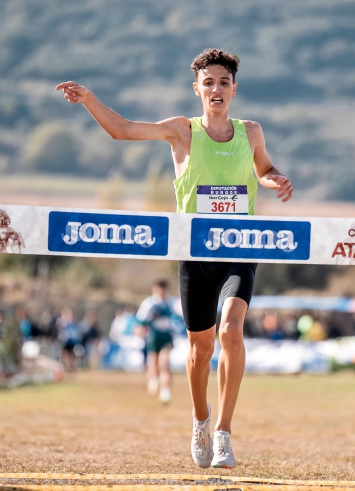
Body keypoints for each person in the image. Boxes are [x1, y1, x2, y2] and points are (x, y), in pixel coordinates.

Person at [56, 48, 293, 469]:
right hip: (195, 254)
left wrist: (273, 178)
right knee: (200, 350)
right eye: (209, 83)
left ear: (234, 89)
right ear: (197, 89)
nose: (216, 89)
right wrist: (90, 99)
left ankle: (223, 432)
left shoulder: (251, 132)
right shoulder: (182, 132)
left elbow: (264, 168)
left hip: (240, 248)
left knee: (232, 330)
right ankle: (200, 419)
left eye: (224, 82)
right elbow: (124, 130)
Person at [134, 279, 178, 404]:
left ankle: (165, 392)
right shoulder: (149, 303)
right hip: (153, 336)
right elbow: (141, 321)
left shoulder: (170, 303)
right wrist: (140, 331)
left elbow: (178, 319)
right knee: (153, 364)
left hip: (166, 336)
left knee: (164, 364)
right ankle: (153, 381)